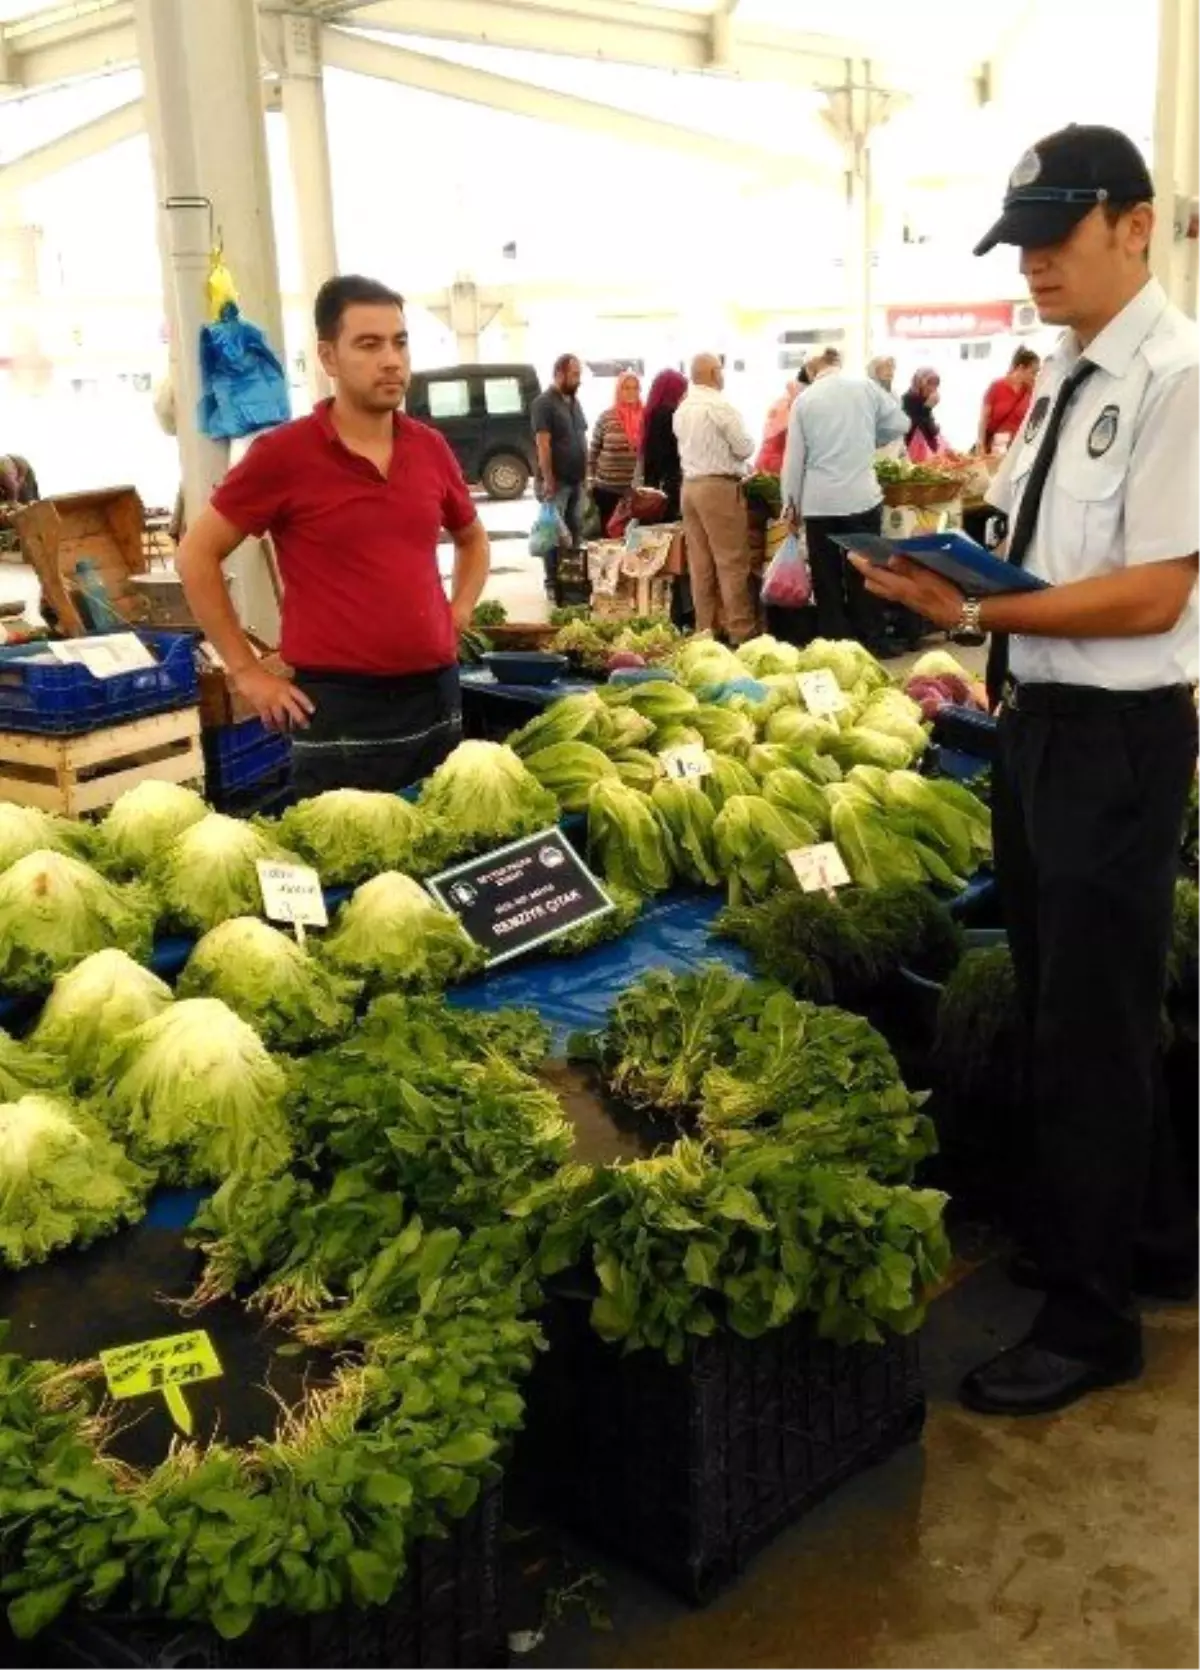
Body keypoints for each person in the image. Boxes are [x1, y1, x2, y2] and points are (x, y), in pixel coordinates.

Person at [852, 124, 1200, 1417]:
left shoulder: (1175, 375)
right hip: (1040, 730)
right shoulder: (1068, 374)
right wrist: (955, 574)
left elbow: (1157, 593)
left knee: (1091, 1025)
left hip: (1117, 738)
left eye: (1060, 235)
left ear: (1134, 223)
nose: (1036, 263)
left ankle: (1092, 1315)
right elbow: (1051, 555)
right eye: (1025, 241)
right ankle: (1152, 1238)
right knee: (1070, 996)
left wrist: (975, 614)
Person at [176, 274, 490, 795]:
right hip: (339, 710)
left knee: (442, 854)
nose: (391, 359)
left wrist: (457, 612)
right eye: (368, 344)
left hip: (436, 696)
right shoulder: (284, 454)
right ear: (328, 357)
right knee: (355, 864)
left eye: (399, 341)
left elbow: (472, 539)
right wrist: (247, 672)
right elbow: (195, 555)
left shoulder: (430, 448)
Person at [781, 353, 908, 651]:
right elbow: (900, 423)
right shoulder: (865, 388)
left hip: (820, 502)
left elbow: (794, 459)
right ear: (837, 362)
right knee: (866, 571)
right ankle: (872, 639)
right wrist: (874, 436)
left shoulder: (804, 401)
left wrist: (791, 504)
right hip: (861, 496)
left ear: (812, 371)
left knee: (826, 579)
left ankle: (834, 642)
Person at [674, 353, 757, 643]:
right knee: (732, 561)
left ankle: (705, 630)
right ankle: (741, 632)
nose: (723, 375)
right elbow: (744, 448)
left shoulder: (683, 408)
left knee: (701, 564)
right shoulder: (719, 406)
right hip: (718, 488)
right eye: (720, 369)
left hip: (690, 488)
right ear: (712, 373)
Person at [531, 354, 587, 593]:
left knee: (574, 531)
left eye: (579, 375)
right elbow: (543, 443)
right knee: (553, 534)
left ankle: (571, 580)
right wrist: (548, 479)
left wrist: (587, 473)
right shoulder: (544, 403)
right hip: (557, 482)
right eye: (574, 375)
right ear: (559, 374)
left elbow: (582, 435)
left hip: (576, 479)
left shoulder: (574, 402)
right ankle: (552, 582)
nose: (578, 379)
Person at [588, 370, 643, 534]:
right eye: (626, 388)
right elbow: (593, 450)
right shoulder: (606, 417)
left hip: (635, 491)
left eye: (635, 388)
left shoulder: (646, 416)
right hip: (607, 489)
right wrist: (589, 478)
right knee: (608, 536)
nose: (631, 392)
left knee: (634, 538)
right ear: (619, 390)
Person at [639, 369, 687, 519]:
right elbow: (672, 452)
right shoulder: (669, 414)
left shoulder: (653, 413)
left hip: (654, 482)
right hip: (668, 484)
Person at [978, 346, 1041, 455]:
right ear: (1021, 368)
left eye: (1037, 373)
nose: (1035, 377)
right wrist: (981, 445)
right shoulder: (997, 387)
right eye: (1033, 372)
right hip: (997, 446)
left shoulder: (1032, 391)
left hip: (1019, 447)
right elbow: (983, 419)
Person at [902, 368, 943, 457]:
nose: (932, 388)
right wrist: (928, 407)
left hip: (928, 440)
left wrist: (935, 428)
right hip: (913, 442)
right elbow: (914, 423)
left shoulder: (926, 397)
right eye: (929, 383)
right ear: (919, 382)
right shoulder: (909, 397)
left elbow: (928, 420)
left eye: (935, 384)